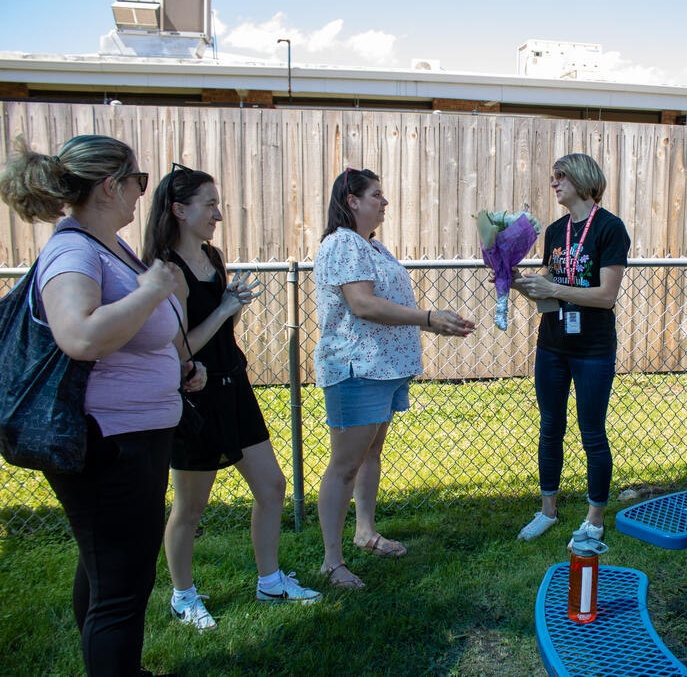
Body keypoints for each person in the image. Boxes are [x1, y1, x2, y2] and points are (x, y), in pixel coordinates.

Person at [0, 135, 206, 676]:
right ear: (112, 186)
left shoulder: (108, 246)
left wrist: (179, 366)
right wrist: (153, 289)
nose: (142, 192)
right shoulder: (73, 252)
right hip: (108, 443)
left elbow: (133, 334)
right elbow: (82, 337)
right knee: (121, 589)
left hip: (134, 437)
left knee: (104, 573)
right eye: (139, 181)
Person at [142, 165, 320, 631]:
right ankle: (183, 596)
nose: (218, 214)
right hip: (195, 397)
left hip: (233, 387)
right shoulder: (168, 270)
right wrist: (223, 309)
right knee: (190, 509)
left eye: (218, 205)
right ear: (179, 211)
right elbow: (179, 349)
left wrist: (232, 306)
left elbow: (222, 331)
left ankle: (270, 582)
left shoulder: (212, 257)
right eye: (210, 205)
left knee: (272, 487)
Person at [314, 167, 475, 589]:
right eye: (376, 195)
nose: (384, 202)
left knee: (370, 454)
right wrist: (428, 318)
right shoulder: (343, 243)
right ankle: (332, 562)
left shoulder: (371, 245)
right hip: (357, 368)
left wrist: (432, 320)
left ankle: (365, 532)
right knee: (344, 466)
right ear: (352, 200)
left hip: (384, 368)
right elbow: (363, 304)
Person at [512, 153, 631, 544]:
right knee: (550, 427)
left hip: (593, 349)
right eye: (553, 176)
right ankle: (547, 510)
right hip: (552, 345)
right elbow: (546, 291)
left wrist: (554, 288)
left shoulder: (610, 228)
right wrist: (512, 277)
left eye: (560, 175)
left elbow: (606, 296)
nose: (554, 183)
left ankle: (594, 519)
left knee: (592, 431)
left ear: (582, 178)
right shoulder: (556, 230)